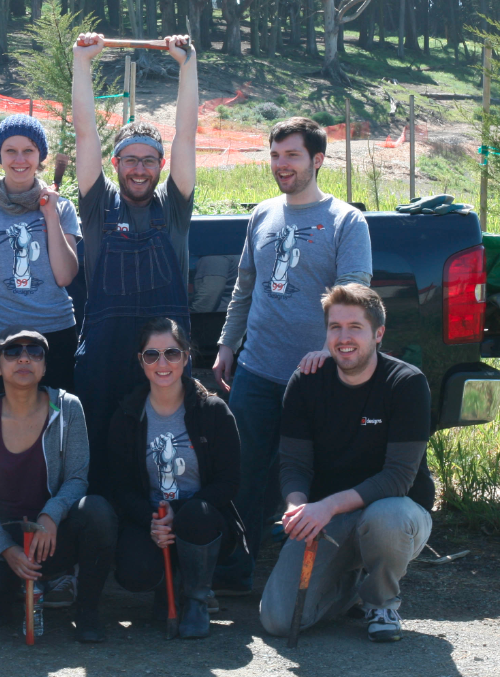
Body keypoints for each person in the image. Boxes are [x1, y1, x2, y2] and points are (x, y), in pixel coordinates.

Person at [210, 117, 373, 595]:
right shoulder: (262, 214)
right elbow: (246, 285)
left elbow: (354, 297)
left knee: (310, 476)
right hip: (257, 369)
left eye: (292, 156)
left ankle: (309, 579)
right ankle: (234, 573)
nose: (281, 165)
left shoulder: (346, 221)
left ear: (317, 160)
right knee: (241, 470)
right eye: (276, 155)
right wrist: (226, 343)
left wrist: (326, 352)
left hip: (319, 375)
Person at [259, 284, 433, 643]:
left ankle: (382, 602)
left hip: (394, 512)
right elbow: (293, 464)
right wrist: (297, 506)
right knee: (278, 621)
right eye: (335, 327)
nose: (343, 337)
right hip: (328, 519)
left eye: (355, 326)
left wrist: (326, 505)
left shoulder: (406, 383)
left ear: (378, 333)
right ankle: (350, 587)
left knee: (387, 518)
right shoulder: (306, 382)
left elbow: (399, 478)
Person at [71, 32, 198, 496]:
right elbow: (85, 131)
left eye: (149, 160)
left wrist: (188, 66)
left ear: (162, 165)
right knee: (101, 453)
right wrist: (82, 65)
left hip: (163, 355)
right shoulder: (98, 205)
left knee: (162, 448)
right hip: (104, 356)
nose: (139, 169)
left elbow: (187, 133)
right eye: (130, 160)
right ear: (115, 162)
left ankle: (164, 527)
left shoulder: (175, 207)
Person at [0, 326, 117, 643]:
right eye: (12, 352)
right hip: (4, 533)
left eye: (34, 352)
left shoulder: (68, 408)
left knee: (98, 511)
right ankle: (16, 586)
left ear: (43, 365)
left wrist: (51, 514)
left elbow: (77, 477)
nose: (24, 358)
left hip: (52, 533)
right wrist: (6, 549)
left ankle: (87, 611)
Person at [108, 317, 245, 639]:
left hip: (203, 523)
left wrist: (179, 514)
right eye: (151, 355)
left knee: (196, 515)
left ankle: (197, 597)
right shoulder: (127, 415)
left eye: (171, 353)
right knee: (135, 572)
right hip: (152, 520)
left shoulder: (213, 411)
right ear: (140, 361)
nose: (162, 363)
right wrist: (151, 519)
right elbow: (121, 486)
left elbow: (229, 482)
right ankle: (168, 587)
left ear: (186, 357)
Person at [0, 114, 81, 403]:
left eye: (29, 150)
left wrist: (49, 214)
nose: (19, 159)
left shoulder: (61, 208)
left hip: (56, 333)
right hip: (0, 334)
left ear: (41, 156)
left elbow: (64, 276)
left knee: (55, 425)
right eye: (10, 150)